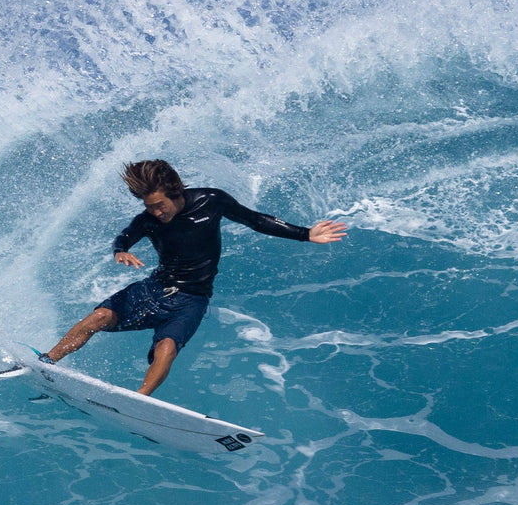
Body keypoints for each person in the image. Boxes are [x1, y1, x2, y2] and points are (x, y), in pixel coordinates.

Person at [39, 159, 347, 395]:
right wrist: (120, 250)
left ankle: (140, 399)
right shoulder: (148, 219)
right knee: (100, 316)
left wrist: (305, 234)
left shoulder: (211, 201)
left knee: (167, 347)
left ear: (175, 193)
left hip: (193, 299)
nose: (156, 213)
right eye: (150, 207)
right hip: (154, 289)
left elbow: (255, 220)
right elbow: (125, 235)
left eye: (160, 205)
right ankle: (46, 362)